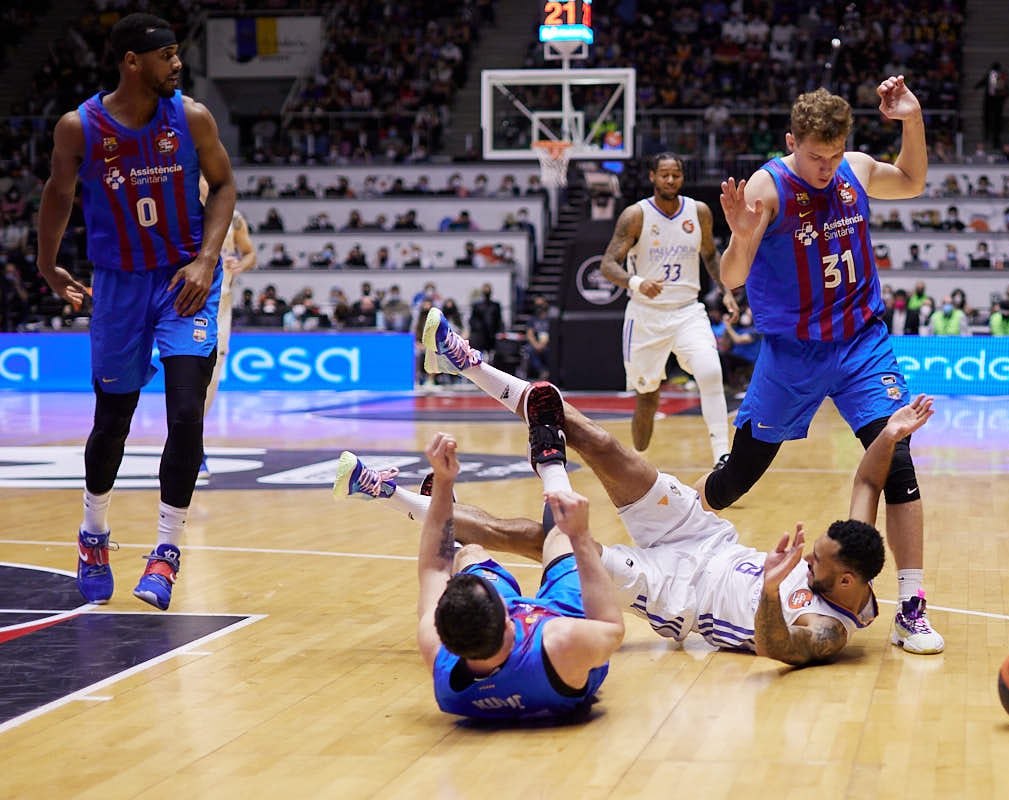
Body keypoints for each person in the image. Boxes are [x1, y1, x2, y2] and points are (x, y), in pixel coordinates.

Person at [370, 313, 939, 663]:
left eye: (814, 561)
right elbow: (869, 477)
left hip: (677, 594)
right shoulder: (856, 553)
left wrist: (769, 589)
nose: (805, 559)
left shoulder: (829, 630)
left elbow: (776, 649)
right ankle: (463, 362)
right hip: (705, 537)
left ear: (843, 579)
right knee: (603, 444)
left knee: (560, 541)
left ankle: (399, 498)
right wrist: (890, 433)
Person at [698, 77, 944, 654]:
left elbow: (911, 181)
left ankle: (910, 609)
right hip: (792, 355)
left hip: (861, 344)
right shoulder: (769, 185)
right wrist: (740, 237)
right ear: (792, 142)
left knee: (898, 461)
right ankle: (684, 516)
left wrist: (911, 120)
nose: (826, 168)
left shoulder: (854, 169)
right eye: (815, 157)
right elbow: (732, 278)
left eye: (834, 155)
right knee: (736, 479)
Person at [35, 14, 236, 610]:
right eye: (166, 55)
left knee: (188, 416)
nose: (177, 64)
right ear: (132, 61)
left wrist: (205, 260)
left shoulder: (192, 117)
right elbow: (58, 195)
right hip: (119, 286)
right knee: (112, 423)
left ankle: (166, 553)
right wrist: (48, 267)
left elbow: (224, 186)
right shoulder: (80, 127)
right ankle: (93, 533)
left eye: (176, 54)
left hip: (183, 282)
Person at [334, 403, 623, 720]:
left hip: (506, 645)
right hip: (560, 622)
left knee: (469, 553)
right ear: (511, 615)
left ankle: (400, 497)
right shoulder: (563, 642)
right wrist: (581, 538)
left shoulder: (443, 662)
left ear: (445, 637)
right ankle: (551, 460)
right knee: (560, 539)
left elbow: (435, 567)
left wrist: (444, 485)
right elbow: (610, 626)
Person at [598, 152, 738, 469]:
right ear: (652, 177)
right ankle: (638, 463)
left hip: (688, 310)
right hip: (646, 315)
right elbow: (607, 265)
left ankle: (722, 456)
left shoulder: (699, 212)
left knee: (711, 372)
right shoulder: (636, 216)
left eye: (676, 175)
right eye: (664, 175)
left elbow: (710, 255)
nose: (670, 180)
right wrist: (636, 282)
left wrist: (725, 291)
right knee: (647, 398)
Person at [198, 176, 256, 479]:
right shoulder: (181, 215)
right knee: (188, 375)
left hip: (221, 307)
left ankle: (195, 443)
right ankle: (191, 447)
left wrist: (240, 264)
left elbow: (250, 252)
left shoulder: (233, 218)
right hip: (187, 305)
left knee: (211, 380)